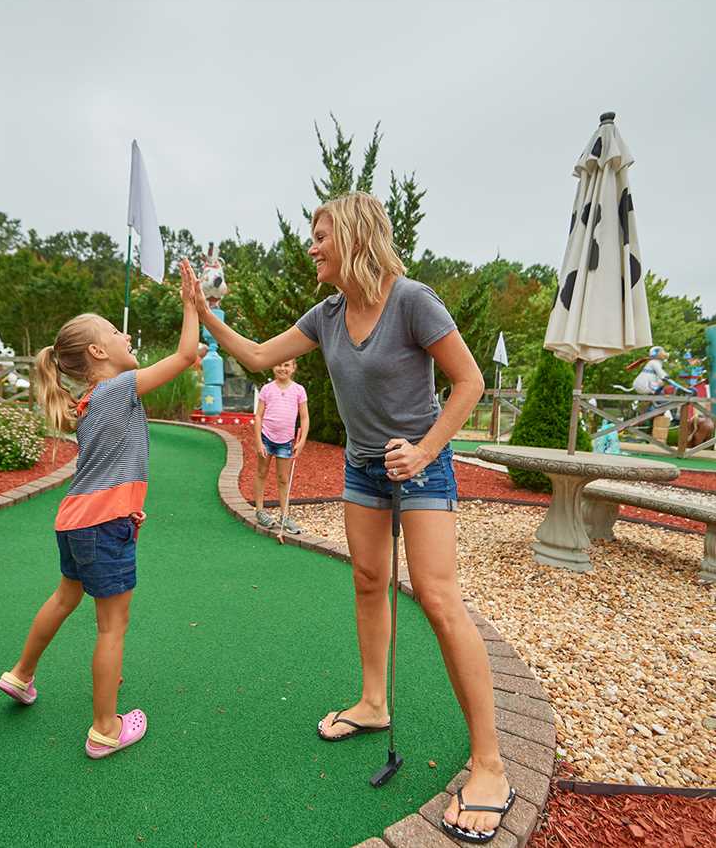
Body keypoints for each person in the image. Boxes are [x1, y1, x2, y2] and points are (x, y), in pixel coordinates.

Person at [185, 192, 514, 843]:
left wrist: (424, 448)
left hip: (420, 467)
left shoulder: (413, 301)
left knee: (440, 600)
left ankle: (491, 765)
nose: (312, 246)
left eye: (320, 234)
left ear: (355, 237)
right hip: (364, 468)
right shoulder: (327, 314)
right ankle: (372, 701)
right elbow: (254, 357)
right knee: (367, 581)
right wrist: (203, 313)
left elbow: (470, 383)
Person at [0, 262, 200, 759]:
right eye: (115, 332)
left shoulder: (89, 402)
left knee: (66, 597)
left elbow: (109, 468)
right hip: (102, 524)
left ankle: (20, 675)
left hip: (75, 522)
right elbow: (186, 354)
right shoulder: (120, 388)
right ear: (97, 352)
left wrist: (127, 509)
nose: (125, 334)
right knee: (112, 627)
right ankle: (105, 729)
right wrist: (192, 305)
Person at [252, 358, 309, 533]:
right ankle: (260, 510)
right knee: (262, 473)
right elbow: (259, 416)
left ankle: (285, 515)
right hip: (267, 438)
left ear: (293, 368)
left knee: (283, 478)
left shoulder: (299, 390)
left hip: (285, 441)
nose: (282, 368)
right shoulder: (267, 389)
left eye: (286, 365)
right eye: (278, 364)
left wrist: (302, 441)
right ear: (272, 366)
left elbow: (304, 417)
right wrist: (259, 441)